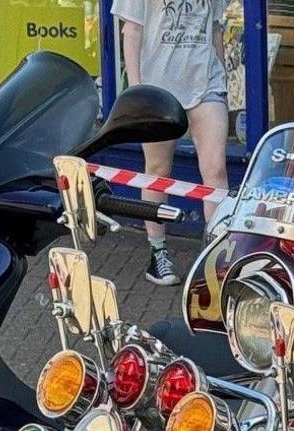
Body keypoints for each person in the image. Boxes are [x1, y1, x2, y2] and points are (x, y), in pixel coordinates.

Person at [116, 0, 230, 287]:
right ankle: (158, 252)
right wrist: (138, 90)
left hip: (206, 82)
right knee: (157, 169)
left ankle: (216, 257)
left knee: (215, 170)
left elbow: (215, 29)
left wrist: (225, 79)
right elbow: (131, 31)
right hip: (158, 86)